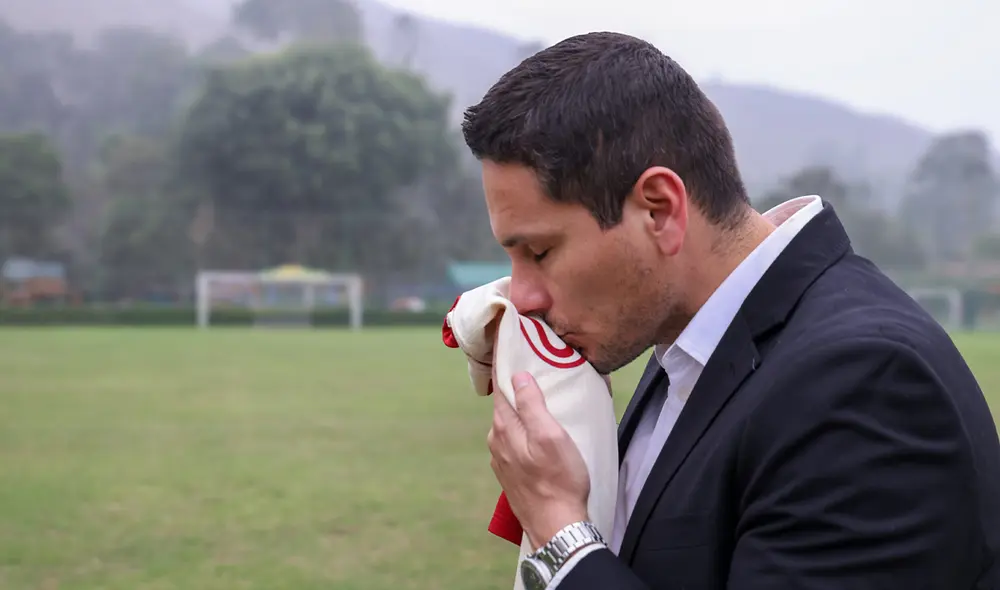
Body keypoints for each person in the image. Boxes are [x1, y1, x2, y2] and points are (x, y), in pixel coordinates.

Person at [459, 31, 1000, 590]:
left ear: (660, 210)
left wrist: (559, 531)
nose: (520, 295)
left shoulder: (865, 382)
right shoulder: (687, 341)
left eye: (541, 252)